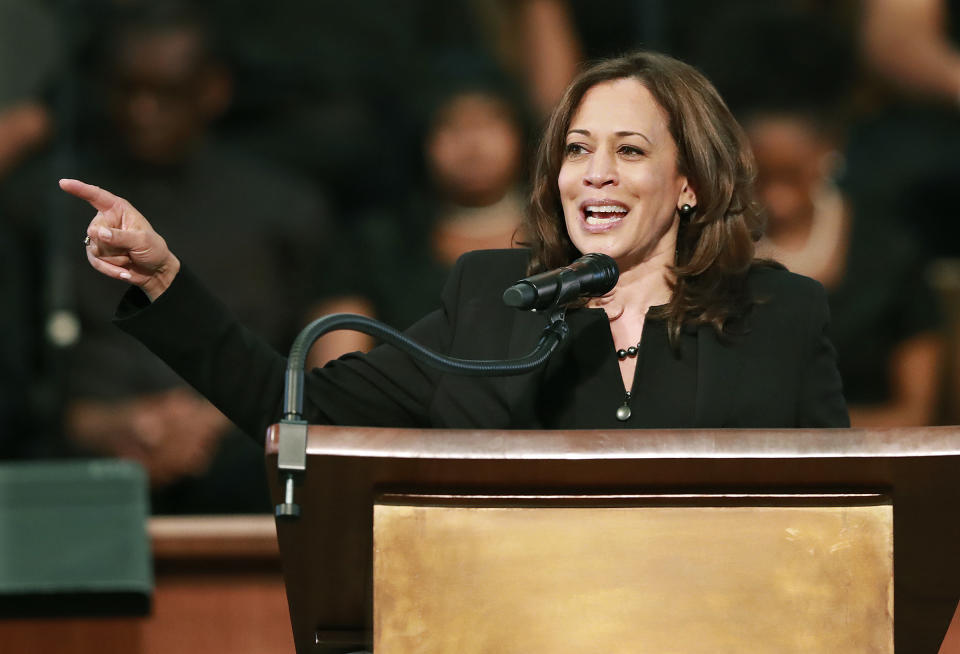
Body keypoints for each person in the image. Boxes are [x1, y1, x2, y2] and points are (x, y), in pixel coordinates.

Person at [61, 52, 849, 444]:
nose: (595, 175)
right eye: (577, 150)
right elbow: (298, 407)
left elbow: (849, 513)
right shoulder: (491, 301)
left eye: (630, 151)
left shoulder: (779, 313)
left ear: (691, 184)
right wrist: (167, 279)